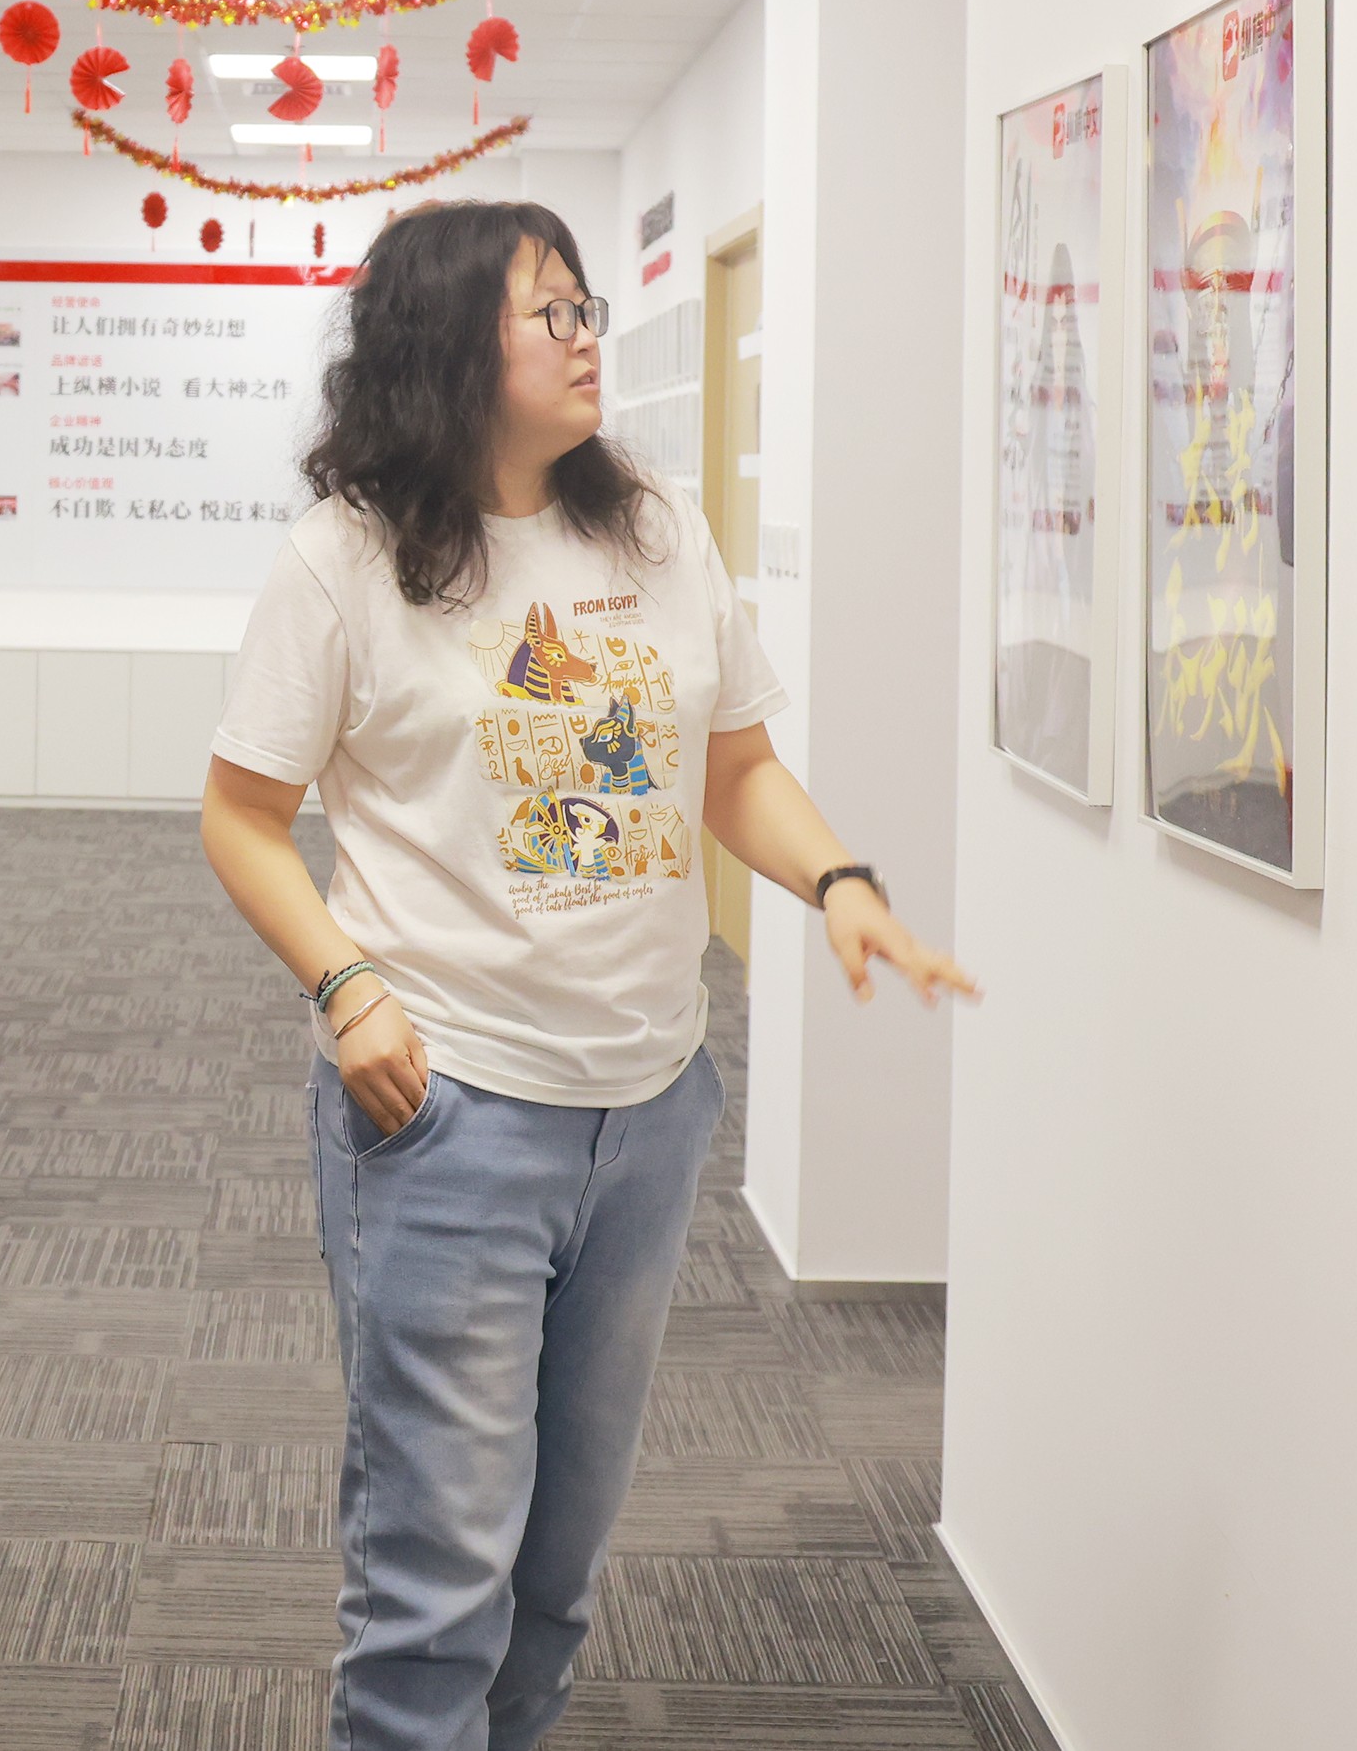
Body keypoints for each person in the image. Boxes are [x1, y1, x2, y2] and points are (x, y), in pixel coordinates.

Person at [199, 201, 973, 1751]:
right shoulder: (345, 561)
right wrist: (347, 989)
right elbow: (241, 816)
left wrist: (841, 883)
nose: (583, 337)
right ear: (446, 346)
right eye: (546, 313)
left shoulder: (657, 530)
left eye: (584, 306)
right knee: (435, 1587)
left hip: (650, 1110)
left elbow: (735, 768)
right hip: (450, 1114)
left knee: (555, 1574)